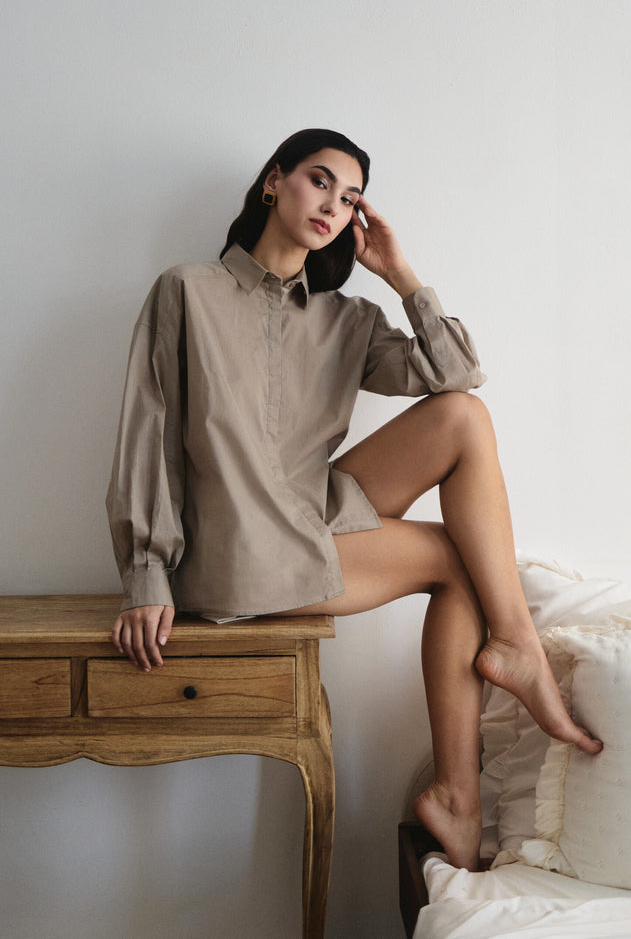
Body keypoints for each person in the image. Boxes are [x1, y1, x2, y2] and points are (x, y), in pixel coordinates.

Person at [106, 128, 602, 871]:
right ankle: (477, 748)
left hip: (310, 511)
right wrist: (146, 572)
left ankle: (505, 666)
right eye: (318, 181)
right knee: (460, 560)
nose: (332, 205)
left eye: (350, 198)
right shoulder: (187, 291)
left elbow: (458, 374)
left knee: (462, 418)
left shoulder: (347, 320)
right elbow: (148, 430)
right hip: (236, 550)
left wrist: (401, 276)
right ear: (273, 182)